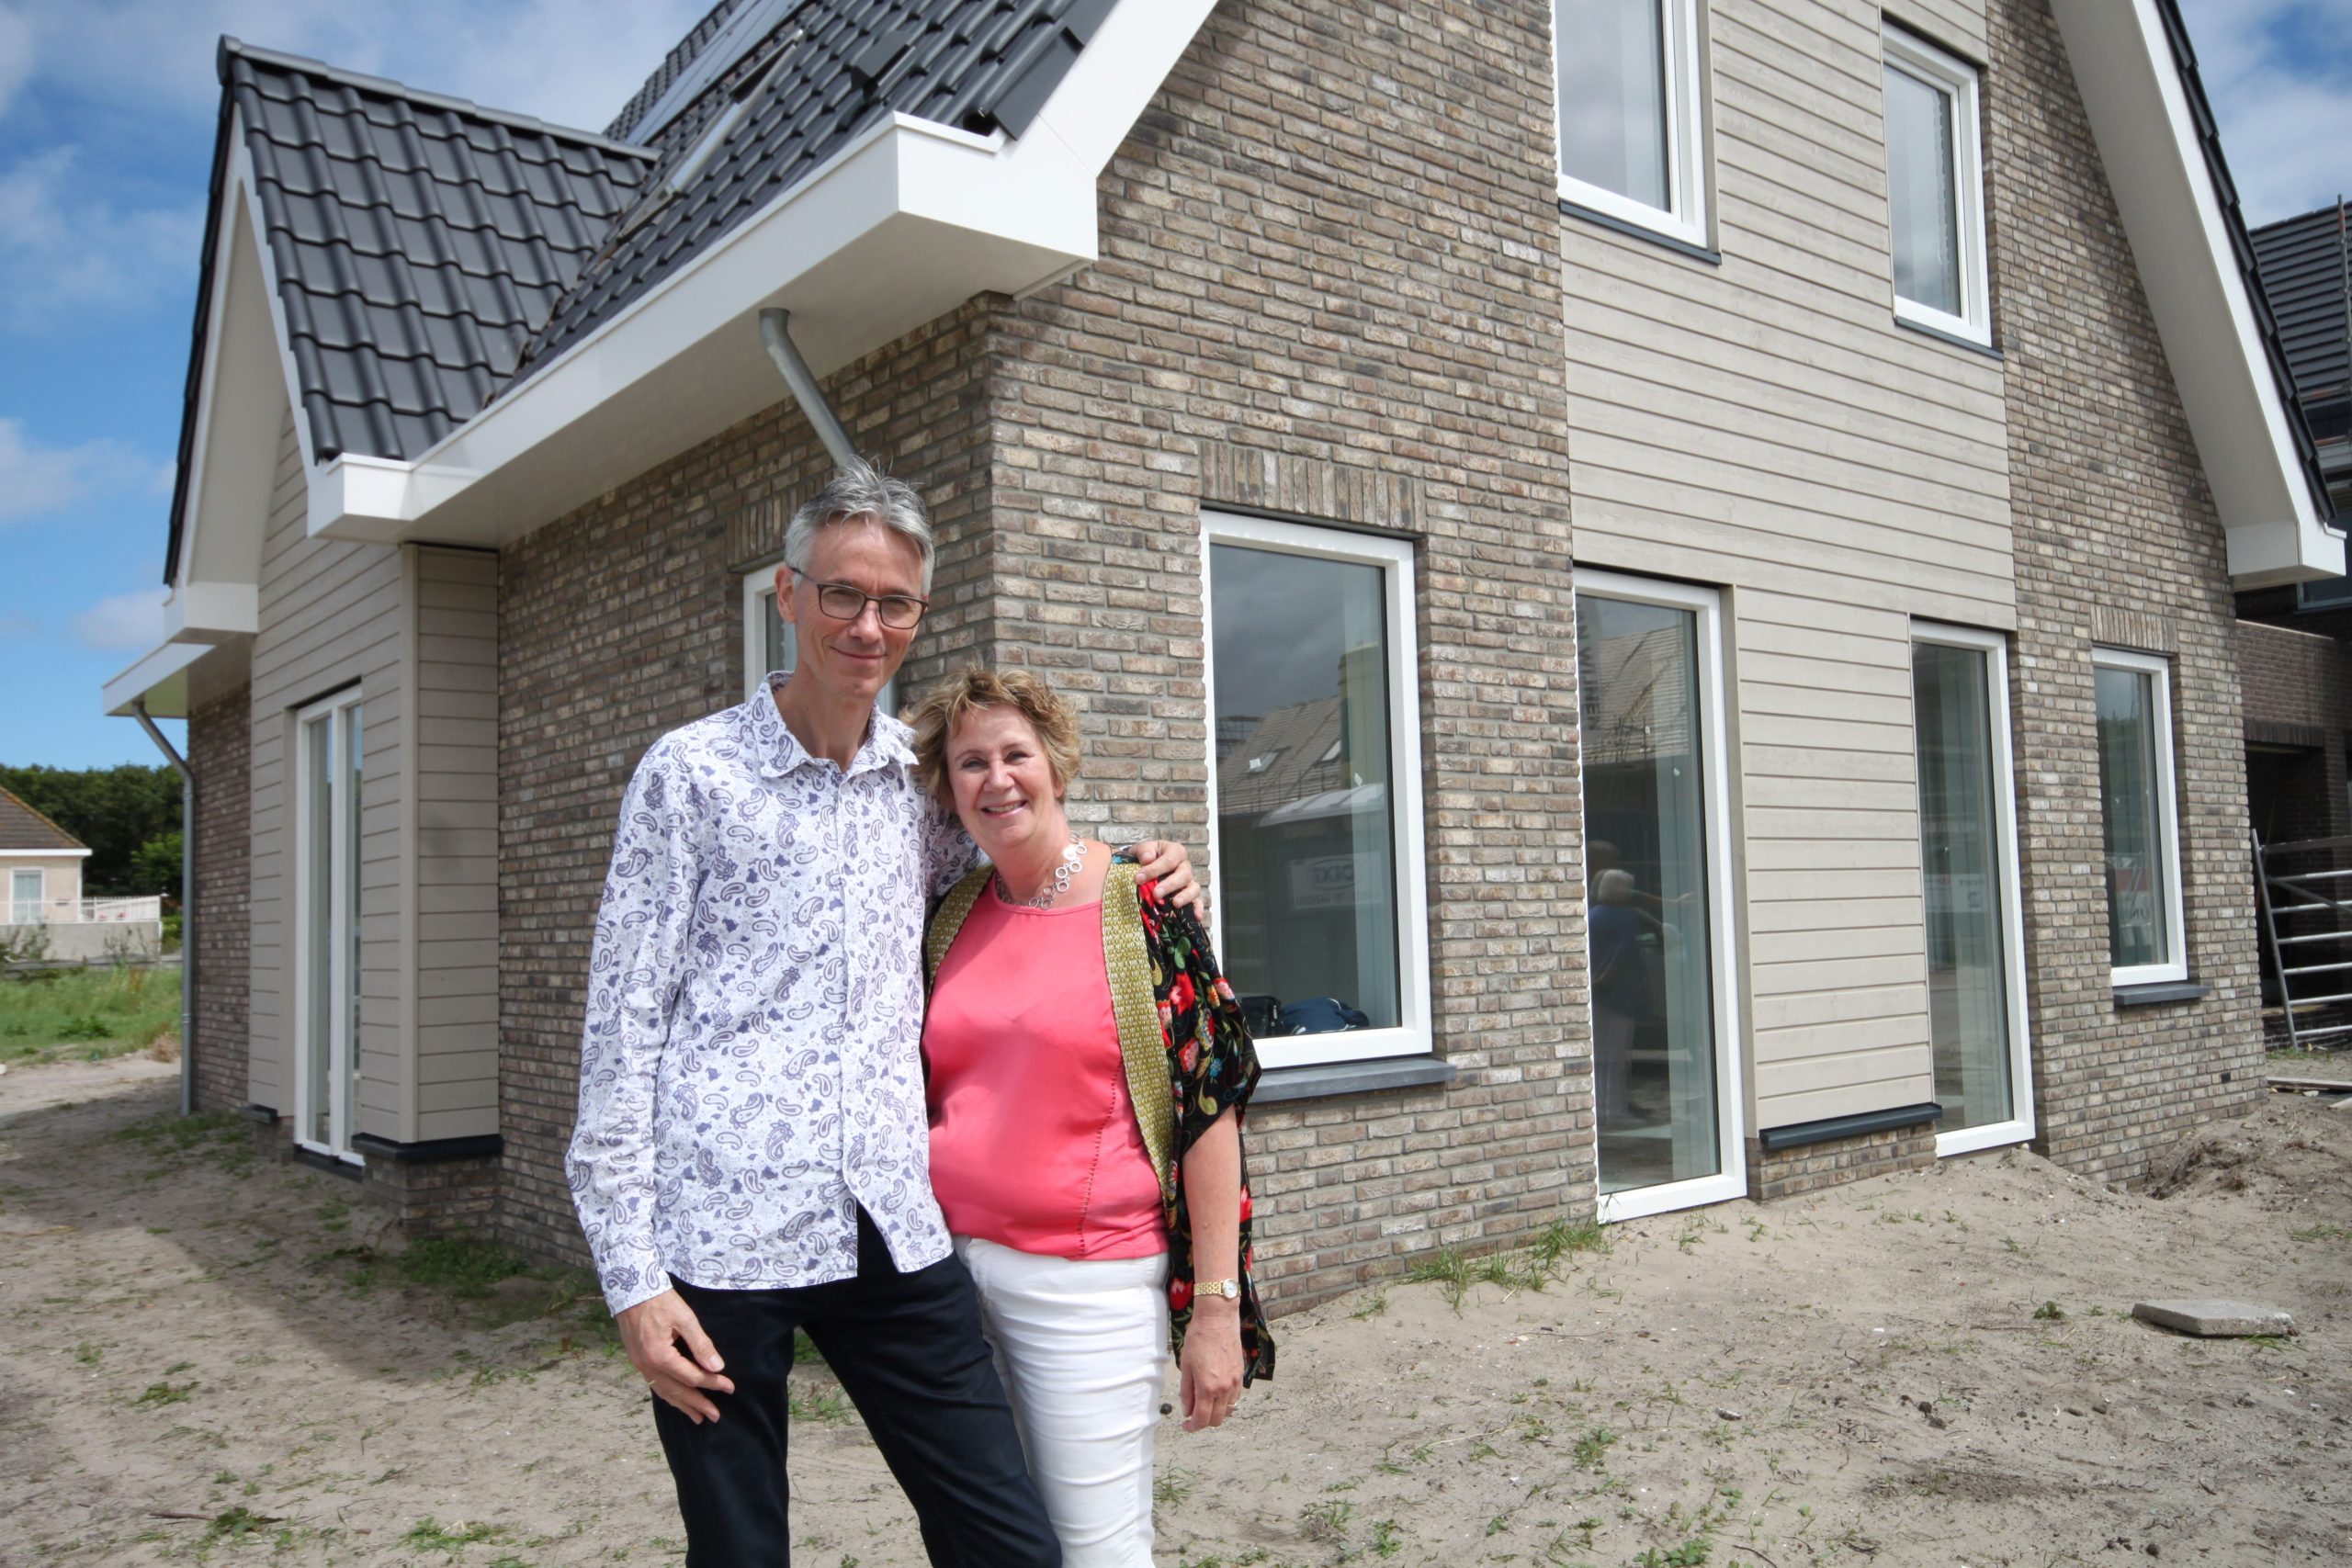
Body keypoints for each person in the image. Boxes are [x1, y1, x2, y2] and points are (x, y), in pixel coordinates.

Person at [566, 462, 1198, 1568]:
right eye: (843, 594)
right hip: (718, 1230)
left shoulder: (920, 783)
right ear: (788, 595)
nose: (868, 625)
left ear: (917, 615)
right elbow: (621, 1026)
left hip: (891, 1218)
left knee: (1003, 1535)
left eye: (895, 602)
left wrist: (1140, 868)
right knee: (739, 1551)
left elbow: (1024, 845)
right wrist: (632, 1275)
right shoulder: (690, 774)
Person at [907, 667, 1275, 1568]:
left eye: (1014, 755)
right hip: (951, 1285)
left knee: (1096, 1551)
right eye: (969, 763)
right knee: (982, 1546)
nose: (995, 779)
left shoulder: (1143, 902)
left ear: (1057, 768)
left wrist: (1215, 1311)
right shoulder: (949, 915)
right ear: (948, 790)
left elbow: (1209, 1109)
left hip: (1086, 1289)